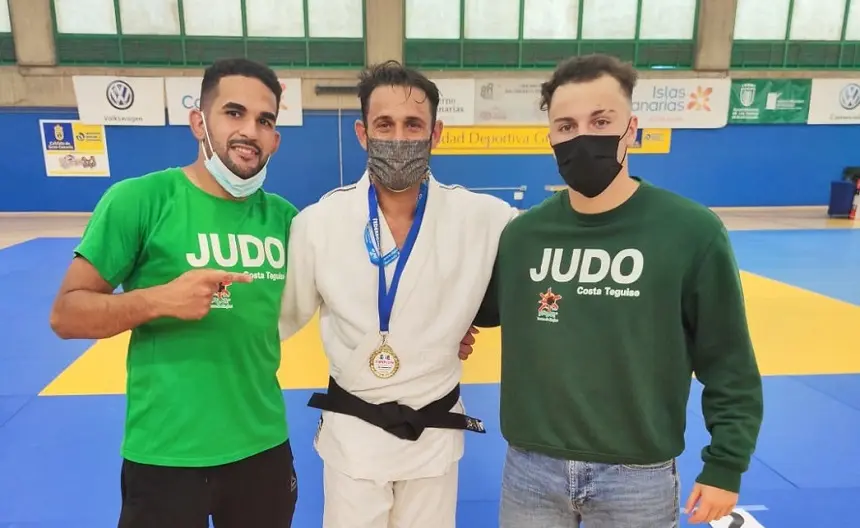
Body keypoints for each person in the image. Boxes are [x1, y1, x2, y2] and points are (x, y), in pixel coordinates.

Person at [474, 53, 765, 527]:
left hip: (637, 477)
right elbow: (478, 309)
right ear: (550, 136)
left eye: (601, 120)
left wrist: (726, 464)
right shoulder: (524, 235)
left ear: (632, 129)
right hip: (531, 468)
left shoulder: (691, 231)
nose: (582, 136)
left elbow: (728, 360)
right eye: (566, 125)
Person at [48, 58, 300, 528]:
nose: (250, 130)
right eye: (234, 113)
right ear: (198, 122)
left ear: (276, 140)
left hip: (261, 449)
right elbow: (66, 314)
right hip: (164, 455)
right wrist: (159, 300)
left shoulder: (287, 221)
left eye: (265, 120)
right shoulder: (140, 200)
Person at [277, 60, 518, 528]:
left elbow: (555, 243)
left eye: (414, 125)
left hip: (434, 434)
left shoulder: (484, 218)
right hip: (354, 437)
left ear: (436, 133)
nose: (399, 137)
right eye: (384, 125)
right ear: (363, 133)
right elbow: (275, 322)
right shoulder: (318, 224)